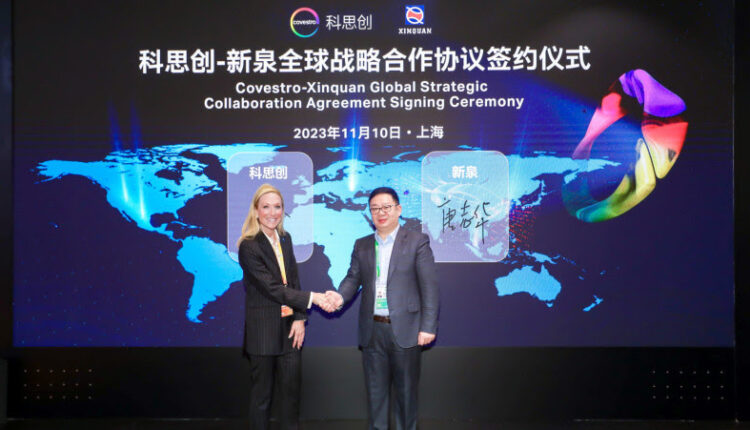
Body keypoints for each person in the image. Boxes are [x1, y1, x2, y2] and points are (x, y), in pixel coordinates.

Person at [326, 187, 439, 430]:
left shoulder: (417, 241)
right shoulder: (362, 245)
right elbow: (352, 279)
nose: (381, 212)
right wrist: (339, 297)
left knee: (406, 397)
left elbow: (429, 287)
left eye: (386, 207)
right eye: (375, 208)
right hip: (373, 330)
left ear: (398, 209)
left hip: (406, 330)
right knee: (376, 396)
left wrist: (428, 326)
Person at [237, 183, 335, 430]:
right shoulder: (248, 246)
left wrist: (300, 318)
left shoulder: (285, 238)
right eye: (266, 207)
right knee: (262, 399)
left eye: (277, 207)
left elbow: (292, 281)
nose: (273, 213)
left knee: (291, 397)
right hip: (263, 331)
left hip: (290, 330)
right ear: (256, 211)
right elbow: (272, 288)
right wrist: (313, 298)